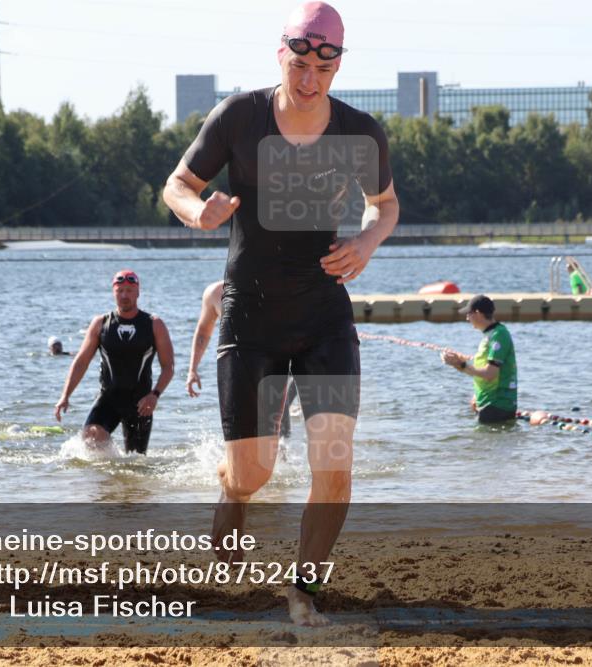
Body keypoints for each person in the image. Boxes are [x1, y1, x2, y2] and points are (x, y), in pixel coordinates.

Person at [162, 2, 399, 626]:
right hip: (250, 317)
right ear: (282, 57)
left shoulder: (360, 133)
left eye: (321, 68)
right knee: (252, 473)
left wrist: (367, 242)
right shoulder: (239, 116)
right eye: (298, 64)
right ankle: (230, 489)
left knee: (335, 465)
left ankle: (303, 590)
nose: (307, 80)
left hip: (323, 315)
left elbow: (387, 205)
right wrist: (196, 210)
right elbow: (176, 183)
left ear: (338, 65)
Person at [53, 270, 174, 454]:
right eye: (120, 291)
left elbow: (168, 367)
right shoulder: (101, 323)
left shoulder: (154, 324)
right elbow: (81, 362)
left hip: (141, 403)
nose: (124, 295)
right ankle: (107, 478)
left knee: (136, 463)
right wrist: (65, 395)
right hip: (109, 399)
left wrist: (154, 395)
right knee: (90, 438)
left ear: (138, 292)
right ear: (114, 292)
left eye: (129, 290)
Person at [186, 280, 298, 437]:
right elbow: (203, 331)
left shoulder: (270, 284)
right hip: (236, 370)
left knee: (278, 430)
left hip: (272, 368)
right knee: (239, 430)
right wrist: (192, 369)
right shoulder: (214, 293)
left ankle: (284, 460)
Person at [440, 295, 518, 425]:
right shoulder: (490, 335)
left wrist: (461, 364)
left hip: (497, 405)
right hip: (488, 404)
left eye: (468, 314)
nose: (467, 318)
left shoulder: (499, 335)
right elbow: (481, 366)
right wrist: (457, 362)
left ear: (478, 313)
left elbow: (489, 374)